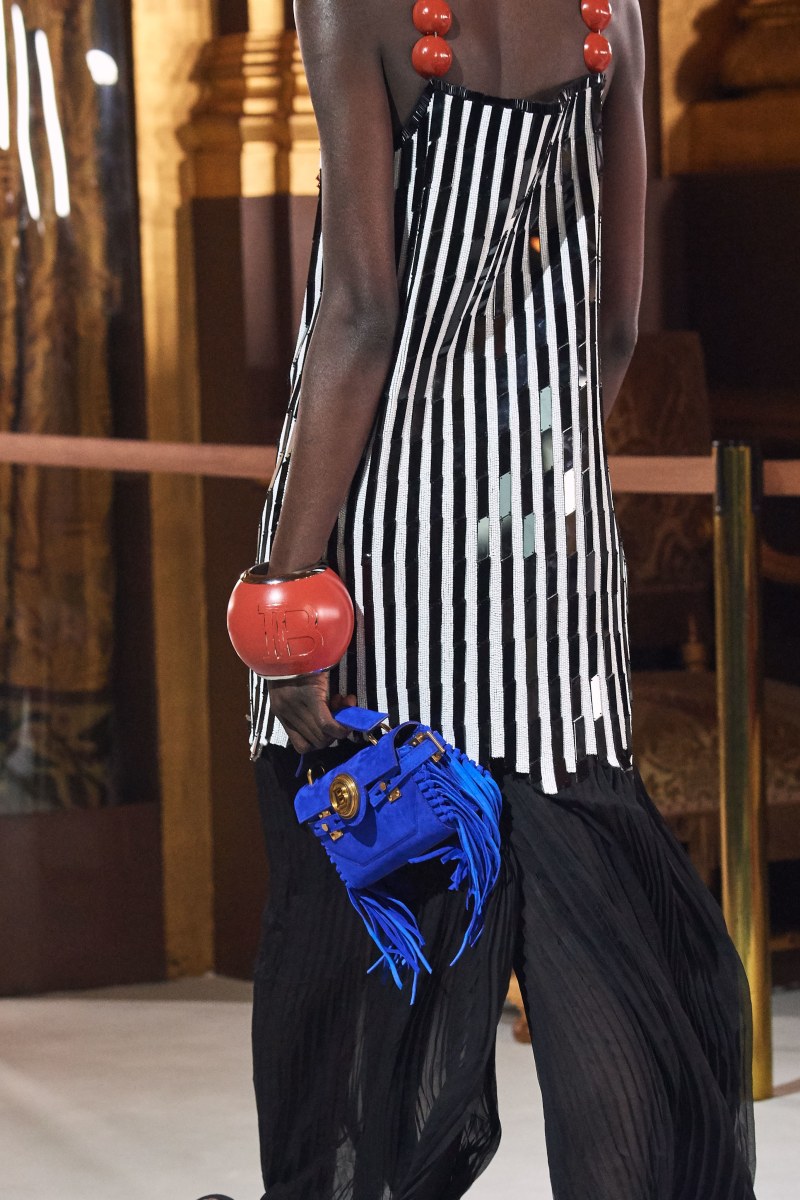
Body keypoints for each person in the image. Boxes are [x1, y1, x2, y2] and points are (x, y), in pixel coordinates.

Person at [204, 2, 759, 1197]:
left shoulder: (350, 7)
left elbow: (362, 312)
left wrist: (285, 581)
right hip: (548, 549)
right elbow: (615, 325)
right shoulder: (611, 12)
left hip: (382, 560)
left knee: (369, 989)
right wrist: (522, 470)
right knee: (605, 947)